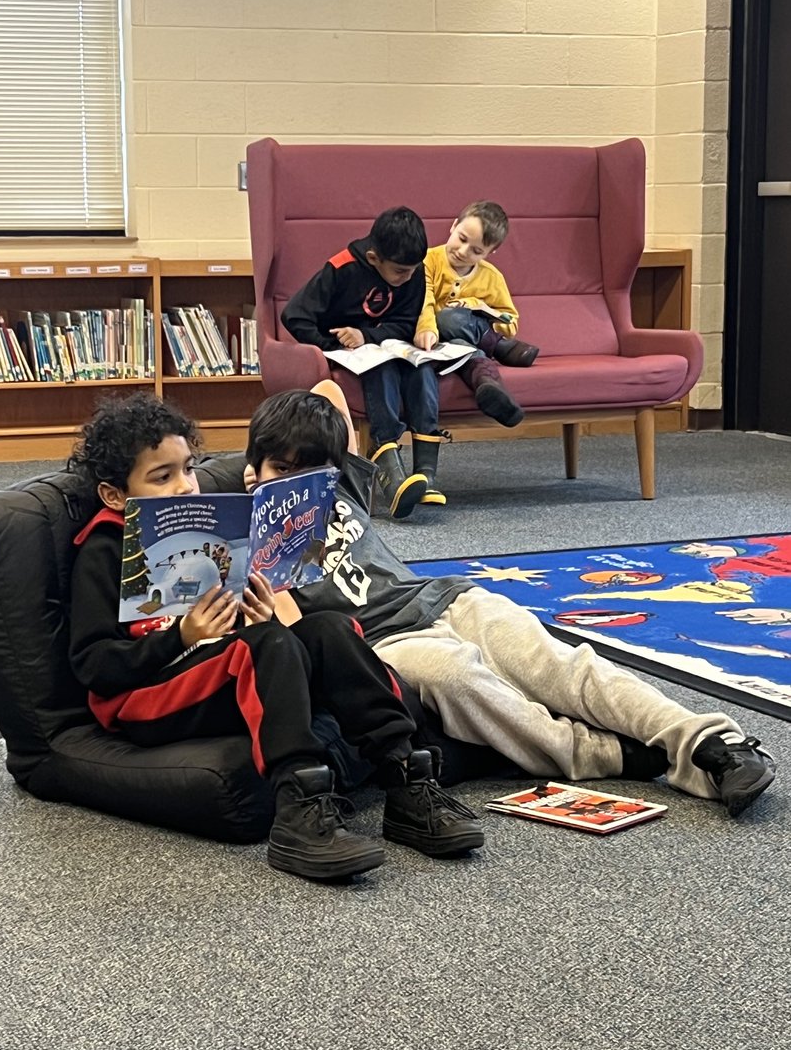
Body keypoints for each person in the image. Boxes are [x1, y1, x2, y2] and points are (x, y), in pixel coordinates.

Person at [197, 384, 776, 819]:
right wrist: (239, 490)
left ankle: (709, 741)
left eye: (310, 472)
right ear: (255, 468)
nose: (295, 481)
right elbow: (296, 636)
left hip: (438, 597)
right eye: (280, 469)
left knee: (558, 664)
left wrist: (306, 456)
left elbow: (326, 395)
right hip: (379, 643)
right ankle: (619, 756)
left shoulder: (339, 481)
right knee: (462, 680)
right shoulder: (239, 534)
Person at [66, 392, 483, 884]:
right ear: (116, 495)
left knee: (327, 628)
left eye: (189, 468)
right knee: (265, 644)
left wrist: (257, 615)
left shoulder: (216, 529)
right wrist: (181, 636)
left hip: (219, 669)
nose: (186, 486)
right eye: (163, 477)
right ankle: (300, 812)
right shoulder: (104, 550)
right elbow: (94, 667)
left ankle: (406, 779)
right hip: (144, 697)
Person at [280, 205, 446, 515]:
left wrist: (366, 335)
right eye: (400, 272)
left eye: (413, 270)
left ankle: (426, 474)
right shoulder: (341, 268)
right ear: (374, 259)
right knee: (379, 368)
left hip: (385, 345)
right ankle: (389, 472)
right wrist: (333, 344)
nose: (409, 277)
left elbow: (408, 322)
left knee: (423, 368)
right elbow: (294, 315)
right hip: (350, 354)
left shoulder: (414, 269)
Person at [416, 201, 539, 434]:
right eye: (462, 239)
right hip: (436, 338)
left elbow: (510, 321)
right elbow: (425, 301)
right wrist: (426, 330)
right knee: (450, 327)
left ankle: (492, 367)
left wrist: (477, 306)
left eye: (476, 251)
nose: (463, 252)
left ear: (490, 253)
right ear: (453, 226)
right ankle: (495, 364)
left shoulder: (492, 277)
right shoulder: (428, 261)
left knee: (454, 324)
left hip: (464, 333)